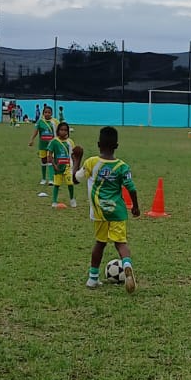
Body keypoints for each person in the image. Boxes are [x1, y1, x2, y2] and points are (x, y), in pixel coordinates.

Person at [76, 126, 139, 291]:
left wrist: (77, 159)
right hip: (117, 211)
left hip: (99, 212)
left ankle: (92, 279)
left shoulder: (91, 162)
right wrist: (135, 206)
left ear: (98, 144)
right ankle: (127, 265)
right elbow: (131, 188)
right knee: (121, 243)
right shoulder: (122, 166)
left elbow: (75, 179)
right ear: (116, 146)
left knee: (100, 243)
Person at [46, 120, 81, 209]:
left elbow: (73, 155)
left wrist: (76, 166)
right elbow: (50, 155)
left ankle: (72, 199)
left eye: (65, 130)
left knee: (70, 183)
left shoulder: (70, 142)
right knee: (56, 184)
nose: (63, 132)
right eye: (61, 130)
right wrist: (54, 165)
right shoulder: (54, 141)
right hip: (58, 167)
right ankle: (54, 201)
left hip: (68, 166)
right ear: (58, 131)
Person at [32, 104, 55, 194]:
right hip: (42, 145)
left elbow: (58, 132)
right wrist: (32, 139)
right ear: (43, 113)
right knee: (43, 160)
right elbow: (36, 131)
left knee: (50, 160)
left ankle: (51, 179)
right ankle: (43, 178)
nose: (47, 114)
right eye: (45, 112)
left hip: (51, 145)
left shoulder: (54, 122)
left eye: (49, 112)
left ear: (51, 113)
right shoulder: (40, 122)